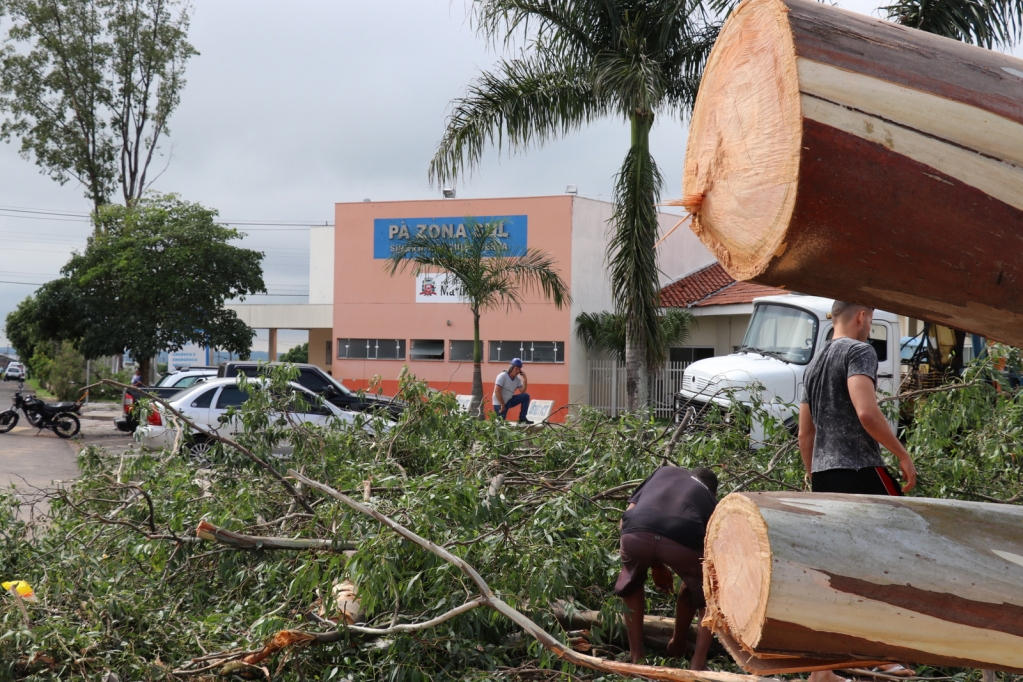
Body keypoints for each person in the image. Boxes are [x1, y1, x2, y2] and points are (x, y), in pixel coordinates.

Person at [799, 300, 917, 682]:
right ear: (862, 316)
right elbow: (866, 412)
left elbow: (806, 433)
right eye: (871, 318)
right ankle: (883, 655)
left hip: (824, 476)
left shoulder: (813, 365)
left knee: (838, 570)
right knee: (890, 561)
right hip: (860, 470)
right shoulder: (859, 350)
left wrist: (813, 476)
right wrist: (902, 454)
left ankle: (823, 670)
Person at [615, 465, 718, 669]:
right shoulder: (708, 498)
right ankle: (697, 663)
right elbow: (711, 543)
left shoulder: (664, 472)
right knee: (709, 591)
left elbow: (624, 520)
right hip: (681, 539)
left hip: (636, 534)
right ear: (713, 491)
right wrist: (694, 578)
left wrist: (652, 560)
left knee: (631, 582)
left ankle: (637, 656)